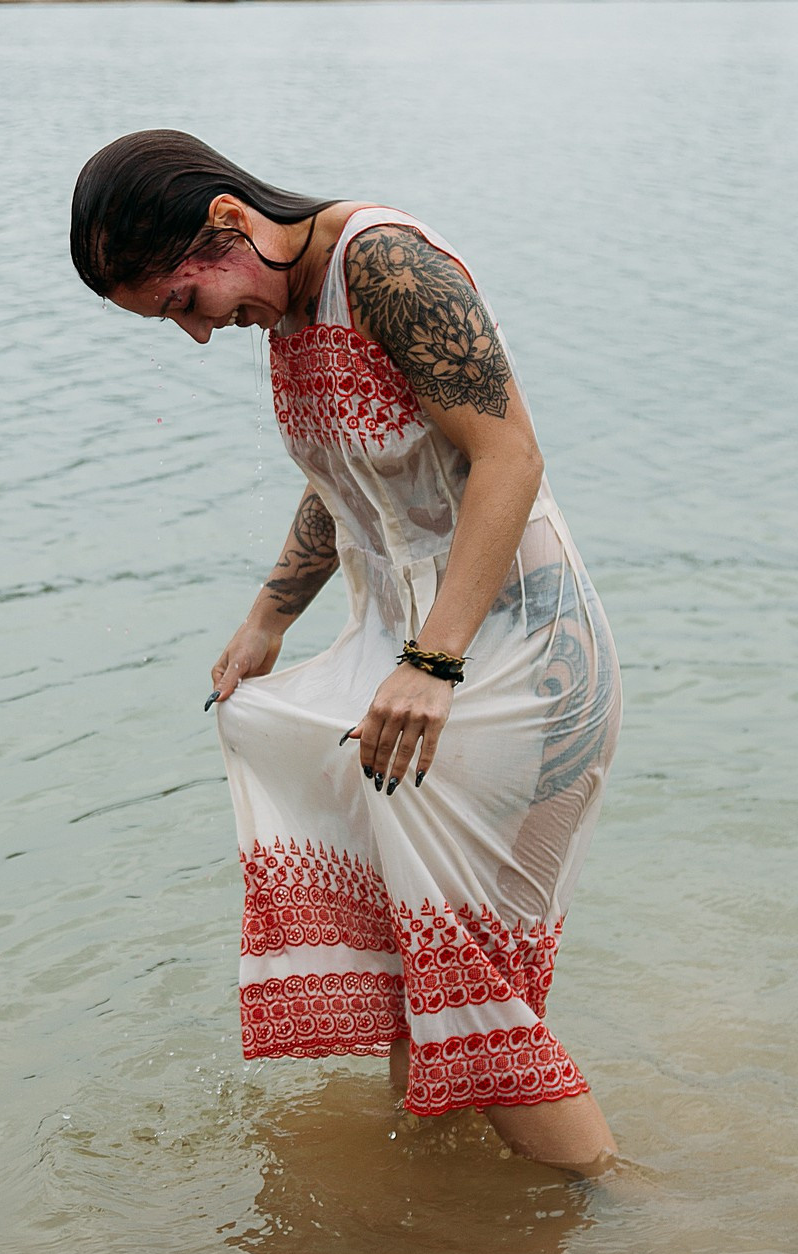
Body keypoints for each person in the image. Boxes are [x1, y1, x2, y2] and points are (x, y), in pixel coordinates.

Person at [71, 130, 624, 1176]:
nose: (197, 334)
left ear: (227, 222)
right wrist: (270, 615)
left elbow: (509, 455)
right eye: (171, 322)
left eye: (184, 301)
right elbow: (347, 477)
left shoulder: (384, 264)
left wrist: (434, 662)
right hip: (406, 669)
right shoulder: (283, 308)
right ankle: (440, 1213)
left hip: (515, 664)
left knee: (472, 995)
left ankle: (632, 1223)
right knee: (423, 979)